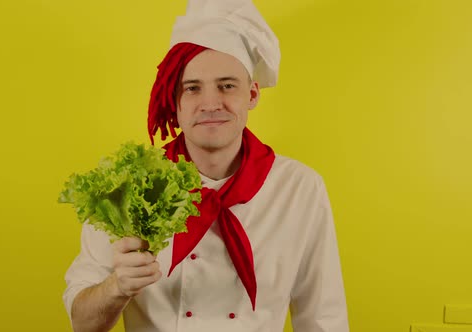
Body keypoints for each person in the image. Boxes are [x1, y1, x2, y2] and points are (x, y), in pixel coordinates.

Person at [63, 0, 349, 331]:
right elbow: (82, 323)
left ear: (252, 94)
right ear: (174, 99)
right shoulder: (127, 189)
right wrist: (117, 287)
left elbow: (322, 320)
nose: (211, 103)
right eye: (192, 88)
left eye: (227, 85)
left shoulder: (299, 188)